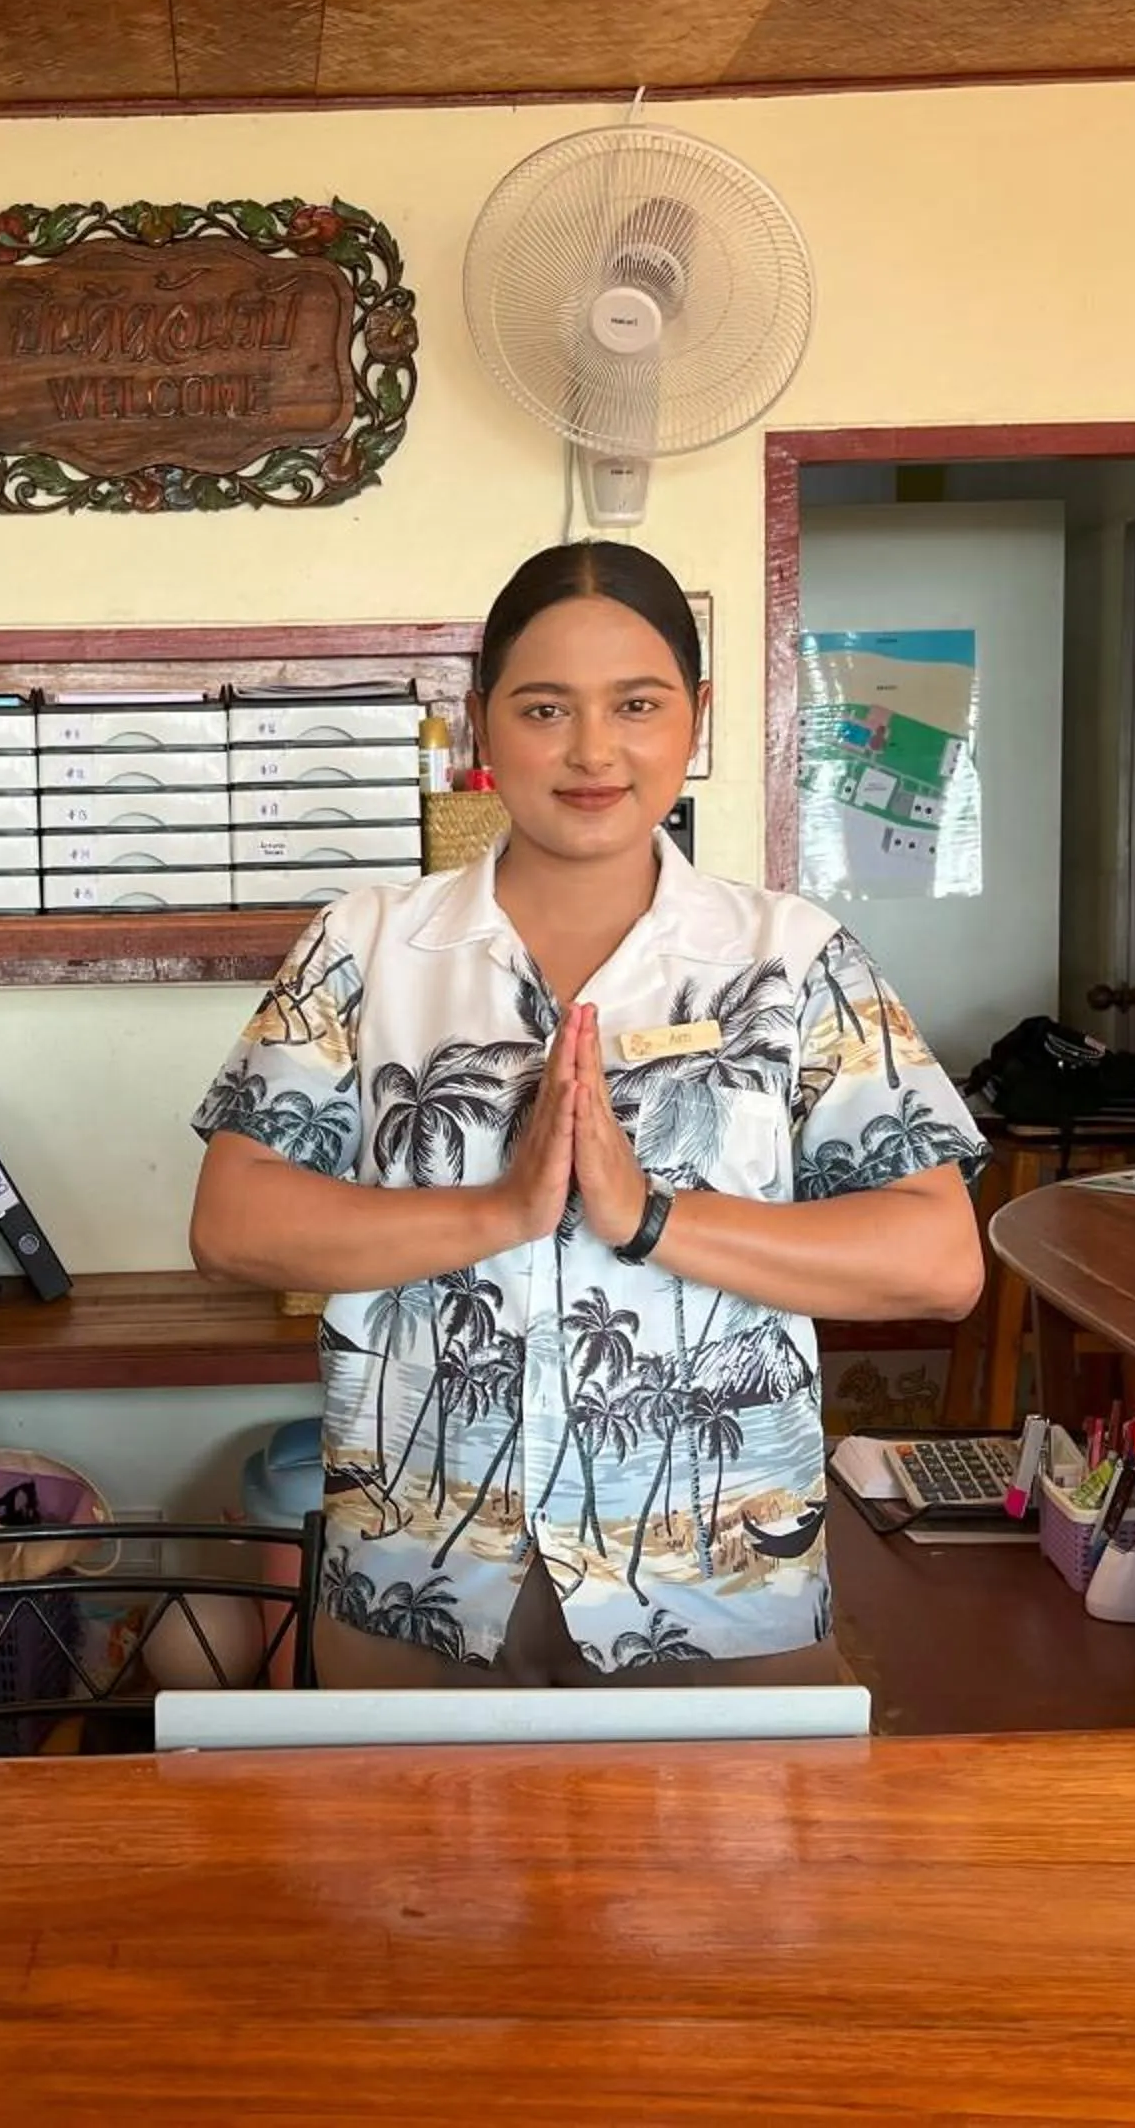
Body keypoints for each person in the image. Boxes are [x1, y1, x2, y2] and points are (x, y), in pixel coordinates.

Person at [189, 542, 986, 1688]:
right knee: (412, 1873)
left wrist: (653, 1216)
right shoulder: (363, 948)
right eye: (545, 707)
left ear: (697, 720)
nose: (593, 750)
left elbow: (937, 1256)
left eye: (638, 704)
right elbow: (234, 1222)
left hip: (717, 1589)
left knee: (722, 1873)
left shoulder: (790, 956)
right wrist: (503, 1210)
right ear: (479, 725)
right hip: (419, 1581)